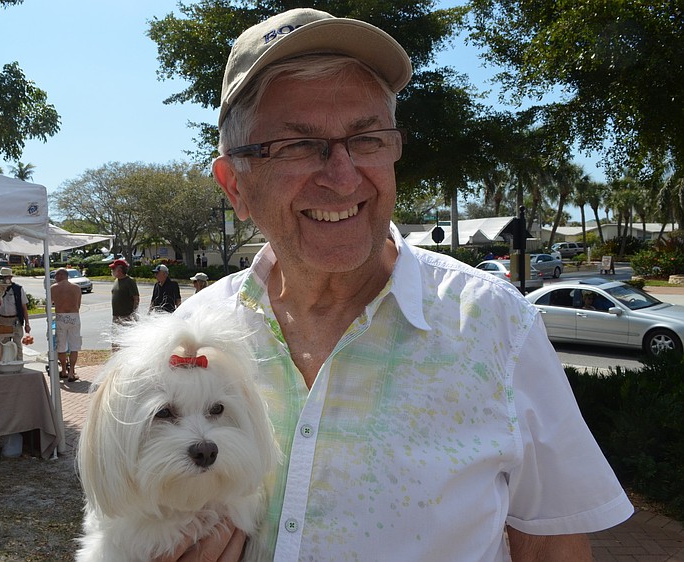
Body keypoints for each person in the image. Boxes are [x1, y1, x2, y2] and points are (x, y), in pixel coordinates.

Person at [170, 8, 632, 561]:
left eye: (366, 139)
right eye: (296, 145)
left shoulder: (494, 325)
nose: (342, 176)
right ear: (234, 185)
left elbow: (553, 546)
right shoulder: (191, 338)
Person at [51, 267, 83, 381]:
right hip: (74, 316)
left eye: (56, 276)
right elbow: (78, 305)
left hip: (61, 316)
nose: (55, 278)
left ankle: (64, 370)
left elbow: (50, 304)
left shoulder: (54, 288)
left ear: (60, 276)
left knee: (61, 346)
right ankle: (71, 372)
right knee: (74, 346)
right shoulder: (76, 288)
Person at [0, 267, 30, 361]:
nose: (5, 279)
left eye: (7, 277)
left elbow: (24, 307)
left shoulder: (17, 289)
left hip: (15, 320)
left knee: (17, 343)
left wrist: (27, 323)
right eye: (3, 277)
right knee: (3, 344)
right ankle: (4, 363)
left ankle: (19, 363)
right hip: (1, 319)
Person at [109, 258, 139, 350]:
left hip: (126, 316)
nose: (112, 271)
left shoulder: (129, 281)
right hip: (116, 316)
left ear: (120, 270)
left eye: (113, 269)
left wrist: (133, 314)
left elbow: (136, 298)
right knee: (115, 341)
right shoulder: (116, 281)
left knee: (126, 341)